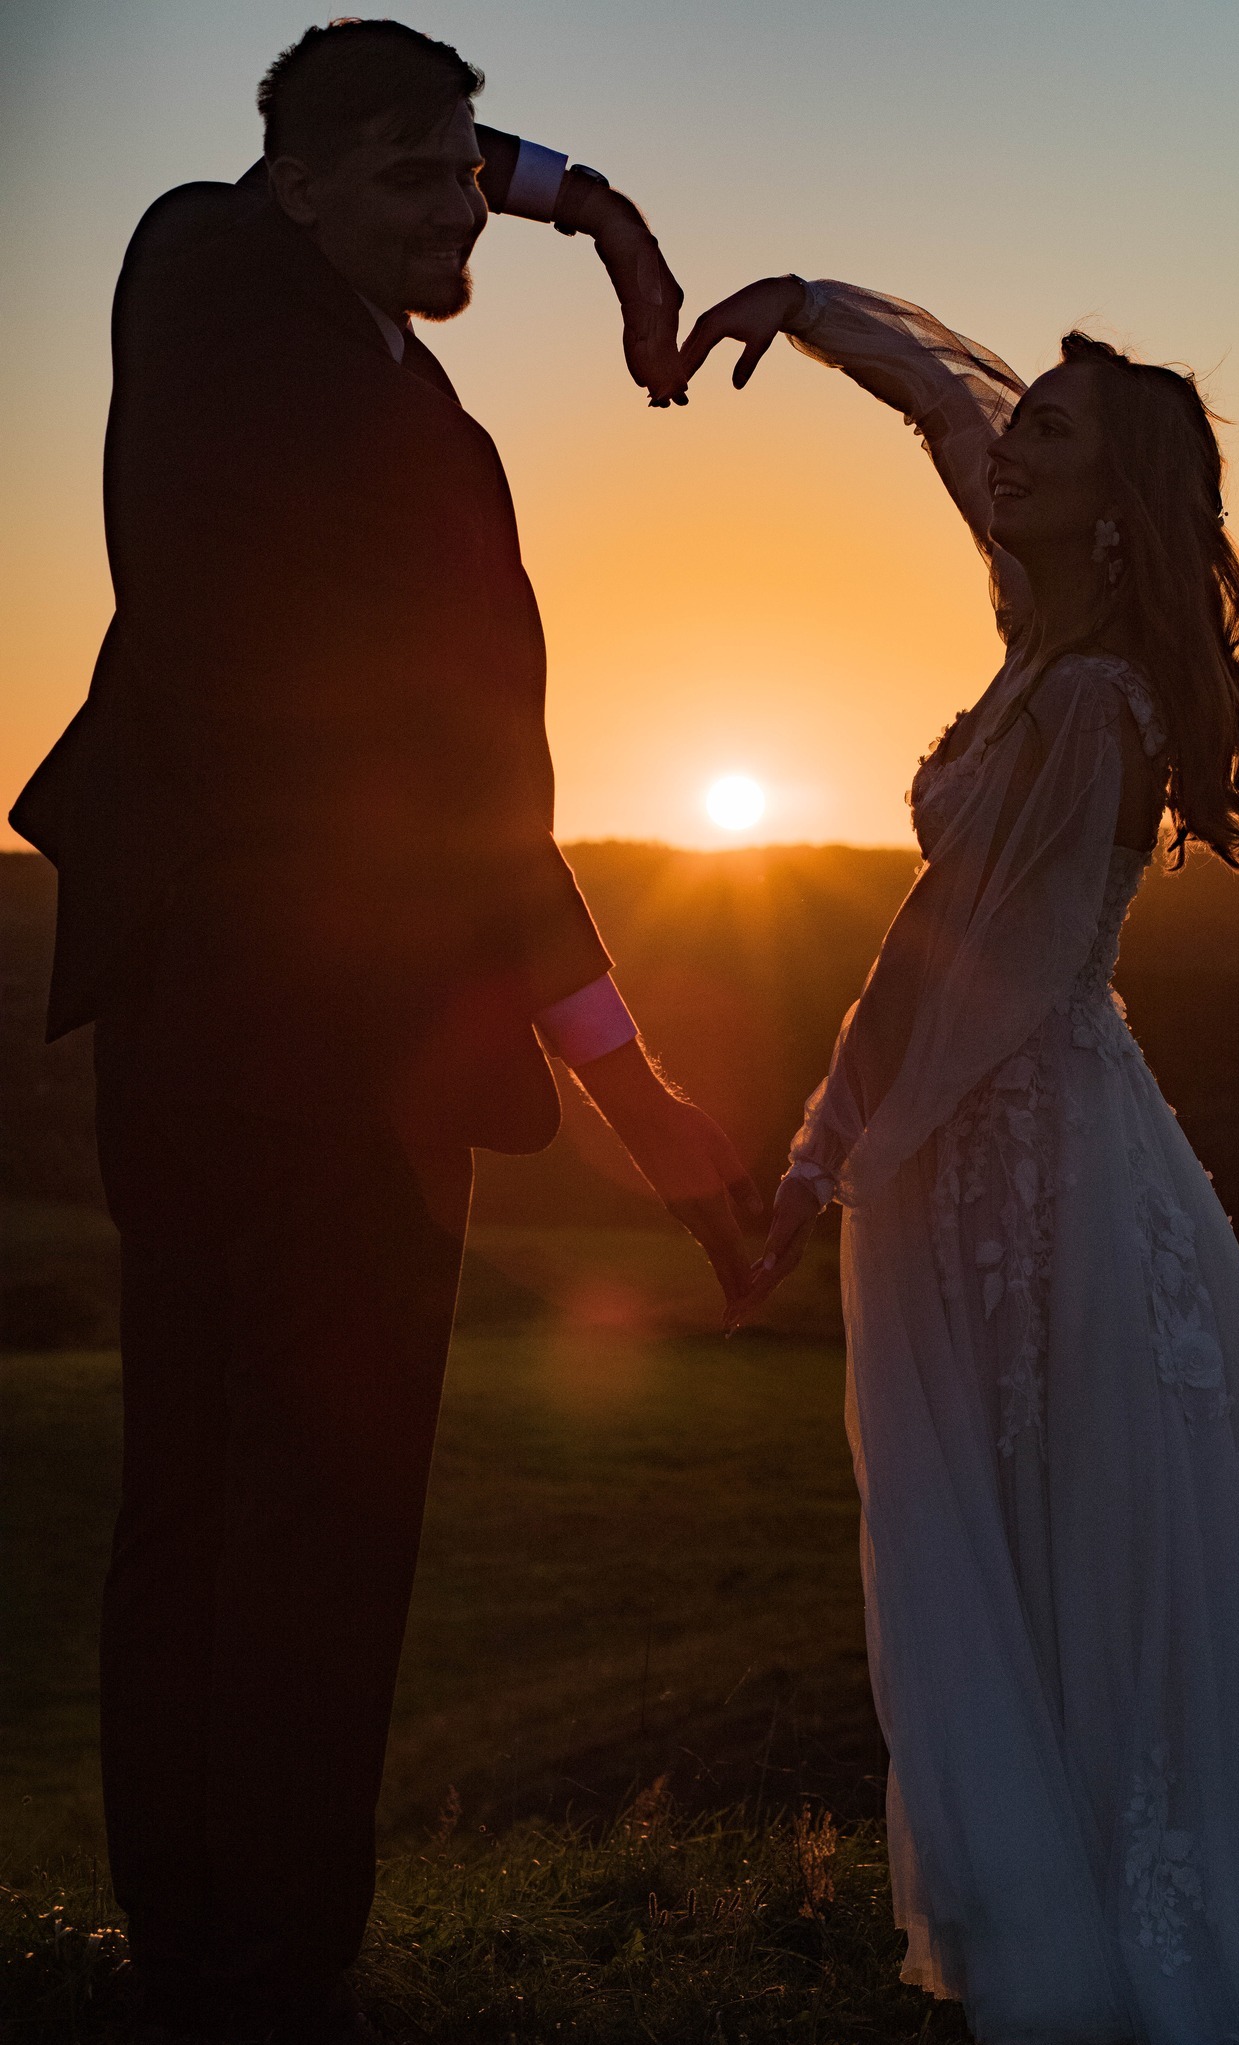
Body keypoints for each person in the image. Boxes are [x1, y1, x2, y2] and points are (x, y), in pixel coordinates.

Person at [9, 22, 759, 2042]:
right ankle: (239, 1964)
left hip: (344, 1034)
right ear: (301, 184)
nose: (460, 210)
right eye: (419, 179)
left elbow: (494, 805)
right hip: (266, 1024)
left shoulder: (419, 403)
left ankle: (236, 1951)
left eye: (468, 176)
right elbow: (471, 815)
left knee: (292, 1501)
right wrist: (628, 1083)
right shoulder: (206, 272)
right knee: (268, 1499)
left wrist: (589, 210)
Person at [671, 280, 1239, 2042]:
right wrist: (805, 309)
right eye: (1027, 422)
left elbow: (950, 964)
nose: (1012, 447)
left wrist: (829, 1156)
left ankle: (1133, 1916)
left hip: (1028, 1165)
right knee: (1007, 1511)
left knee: (1075, 1511)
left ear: (1112, 506)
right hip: (989, 1145)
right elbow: (946, 408)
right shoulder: (1038, 626)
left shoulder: (1088, 710)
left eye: (1053, 435)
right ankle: (1050, 1873)